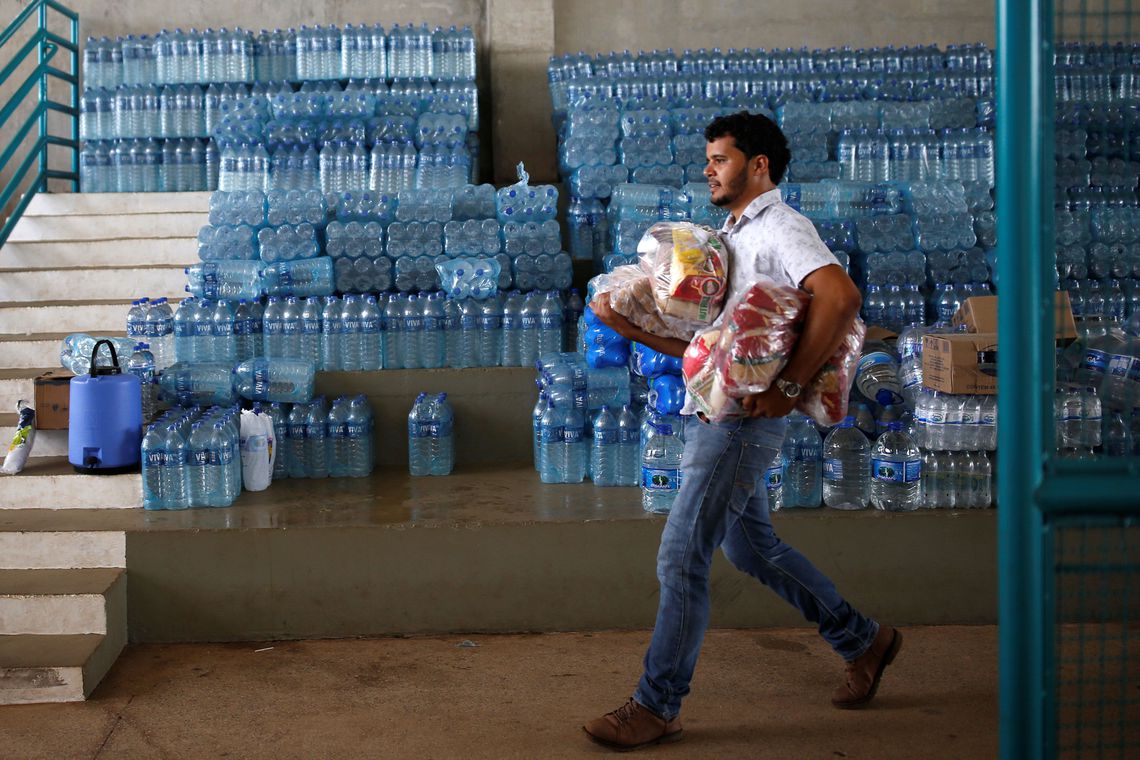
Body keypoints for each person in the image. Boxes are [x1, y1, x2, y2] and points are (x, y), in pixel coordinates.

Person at [583, 111, 903, 752]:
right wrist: (627, 327)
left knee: (681, 556)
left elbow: (839, 297)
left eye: (720, 159)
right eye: (708, 159)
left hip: (740, 423)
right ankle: (863, 639)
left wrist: (787, 389)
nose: (709, 169)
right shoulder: (727, 237)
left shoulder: (783, 227)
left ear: (758, 165)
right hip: (717, 409)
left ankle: (657, 705)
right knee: (751, 550)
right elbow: (713, 349)